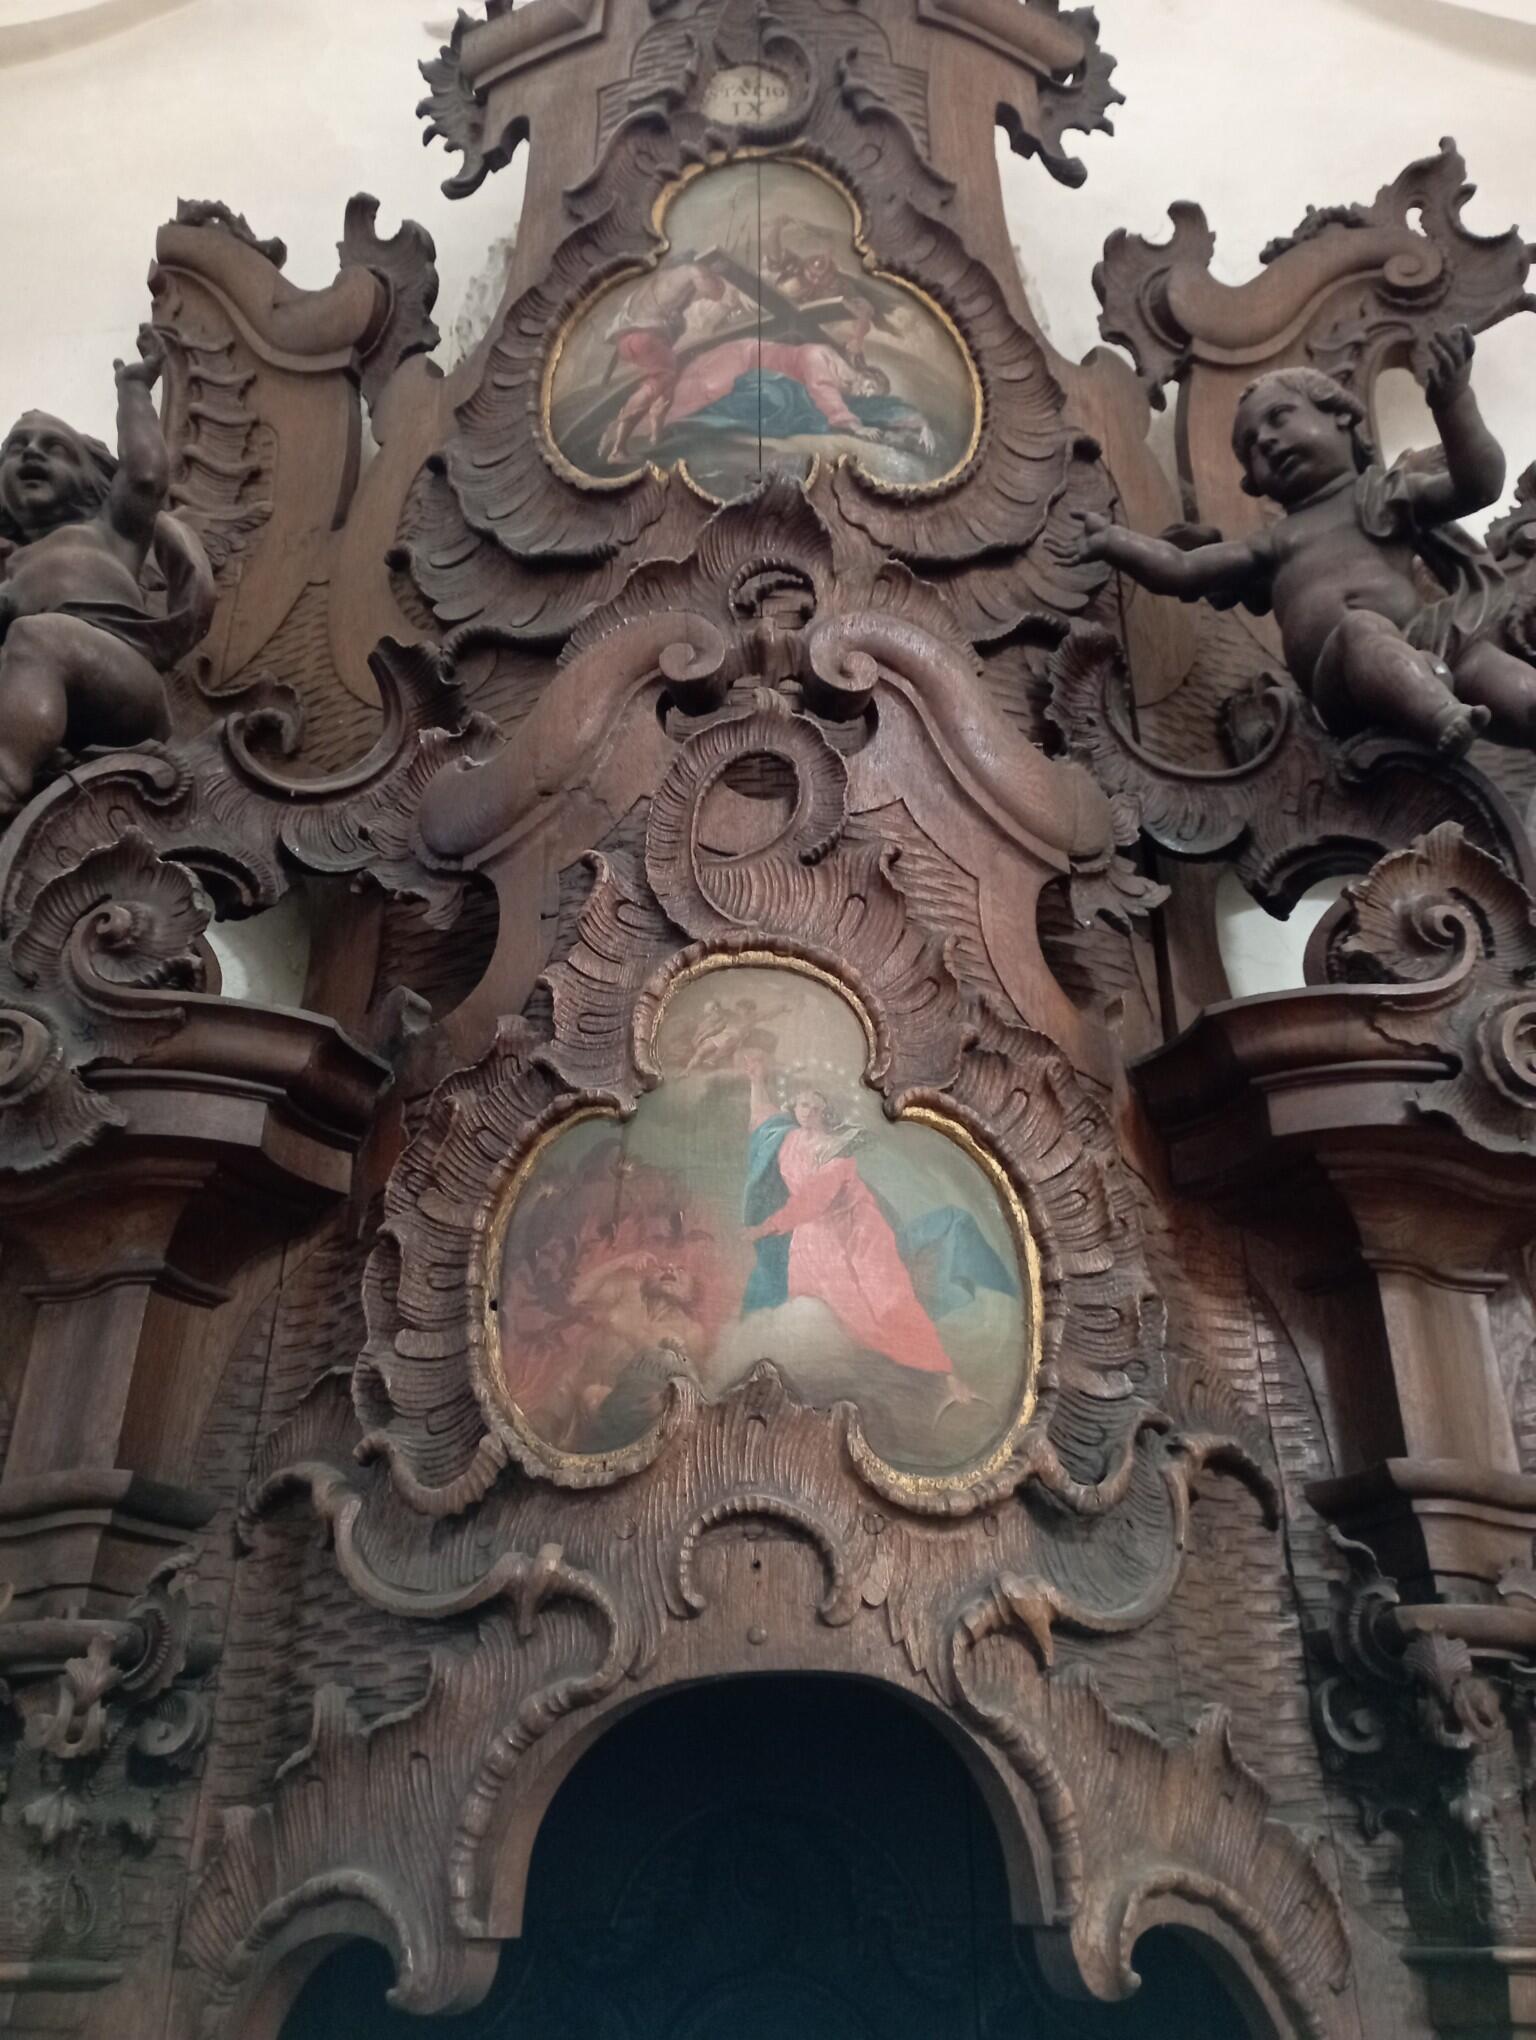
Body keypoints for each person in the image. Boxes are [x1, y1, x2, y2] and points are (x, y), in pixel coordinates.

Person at [1076, 326, 1536, 757]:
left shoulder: (1381, 496)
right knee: (1361, 630)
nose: (1266, 441)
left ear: (1341, 416)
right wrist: (1113, 540)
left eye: (1279, 418)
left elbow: (1477, 485)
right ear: (1254, 482)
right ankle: (1441, 717)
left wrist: (1453, 403)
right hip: (1341, 679)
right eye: (1251, 446)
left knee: (1489, 670)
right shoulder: (1276, 542)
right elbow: (1183, 569)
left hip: (1426, 641)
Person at [0, 327, 213, 820]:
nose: (31, 453)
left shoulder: (111, 529)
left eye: (53, 447)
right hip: (42, 682)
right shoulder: (12, 563)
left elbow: (145, 476)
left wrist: (134, 389)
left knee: (36, 635)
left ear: (92, 477)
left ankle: (5, 784)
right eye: (17, 447)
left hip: (121, 682)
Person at [738, 1051, 979, 1417]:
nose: (806, 1111)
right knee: (814, 1312)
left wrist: (763, 1228)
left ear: (826, 1110)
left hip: (858, 1236)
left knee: (888, 1302)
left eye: (814, 1105)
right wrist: (756, 1079)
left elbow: (813, 1199)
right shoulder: (789, 1141)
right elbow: (762, 1122)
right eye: (801, 1104)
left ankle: (946, 1375)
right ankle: (815, 1391)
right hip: (812, 1242)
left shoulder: (838, 1148)